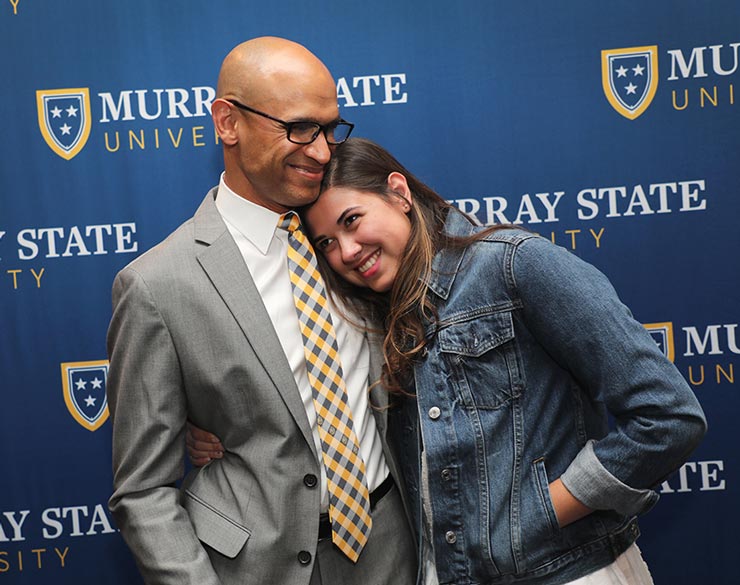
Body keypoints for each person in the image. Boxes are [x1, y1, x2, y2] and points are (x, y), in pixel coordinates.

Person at [189, 137, 707, 585]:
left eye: (353, 220)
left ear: (398, 192)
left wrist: (542, 513)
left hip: (566, 571)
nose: (346, 250)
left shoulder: (513, 265)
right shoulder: (374, 316)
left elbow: (668, 417)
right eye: (326, 243)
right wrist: (227, 432)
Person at [106, 39, 417, 585]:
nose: (321, 151)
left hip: (392, 549)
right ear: (228, 123)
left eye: (329, 128)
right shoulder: (157, 285)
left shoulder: (351, 240)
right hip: (252, 569)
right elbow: (142, 490)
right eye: (299, 128)